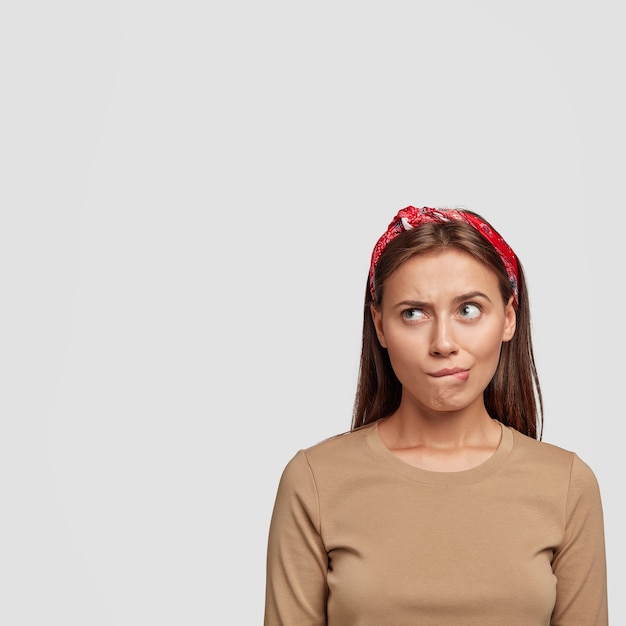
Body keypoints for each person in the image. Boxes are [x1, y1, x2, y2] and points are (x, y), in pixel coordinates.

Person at [264, 206, 608, 625]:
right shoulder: (315, 481)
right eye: (413, 313)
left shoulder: (567, 485)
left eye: (468, 310)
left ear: (509, 317)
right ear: (380, 326)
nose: (443, 342)